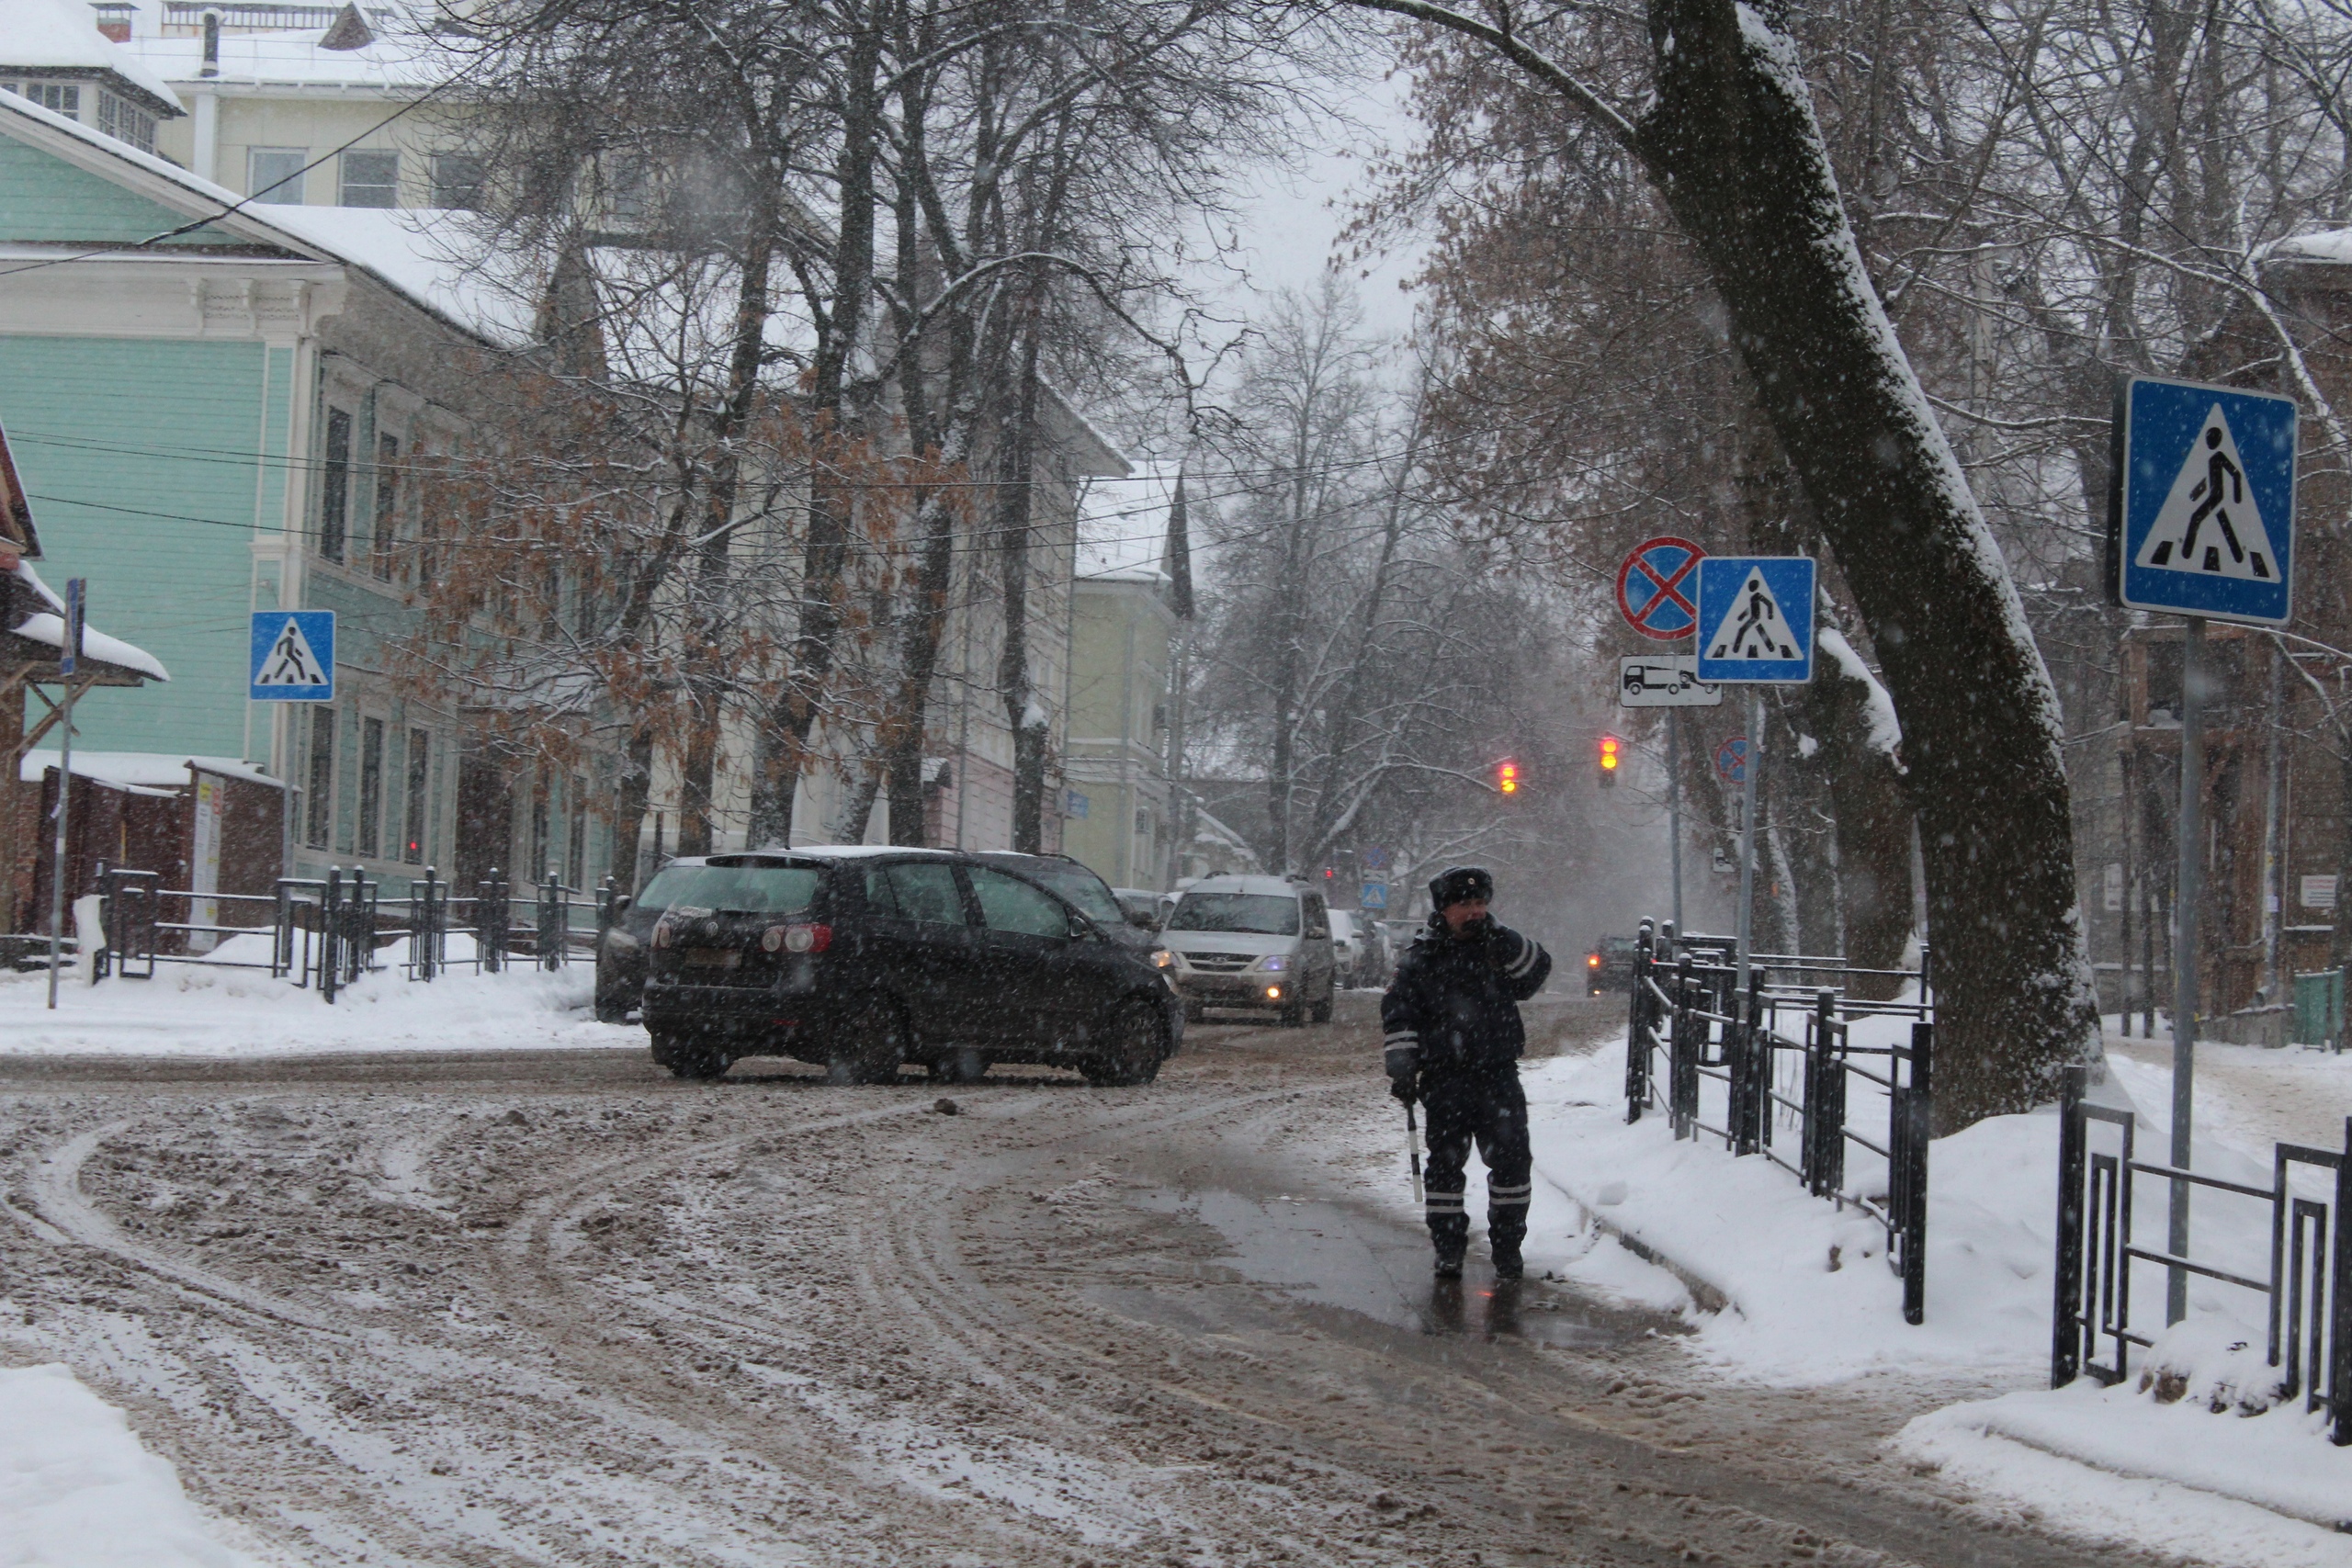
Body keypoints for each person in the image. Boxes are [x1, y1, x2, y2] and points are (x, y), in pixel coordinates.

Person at [1380, 866, 1551, 1280]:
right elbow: (1400, 1015)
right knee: (1445, 1168)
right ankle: (1449, 1247)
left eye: (1480, 903)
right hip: (1445, 1079)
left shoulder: (1498, 948)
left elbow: (1536, 973)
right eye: (1465, 904)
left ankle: (1508, 1249)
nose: (1474, 912)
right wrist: (1402, 1068)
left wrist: (1504, 938)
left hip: (1497, 1075)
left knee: (1512, 1165)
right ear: (1445, 909)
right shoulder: (1422, 960)